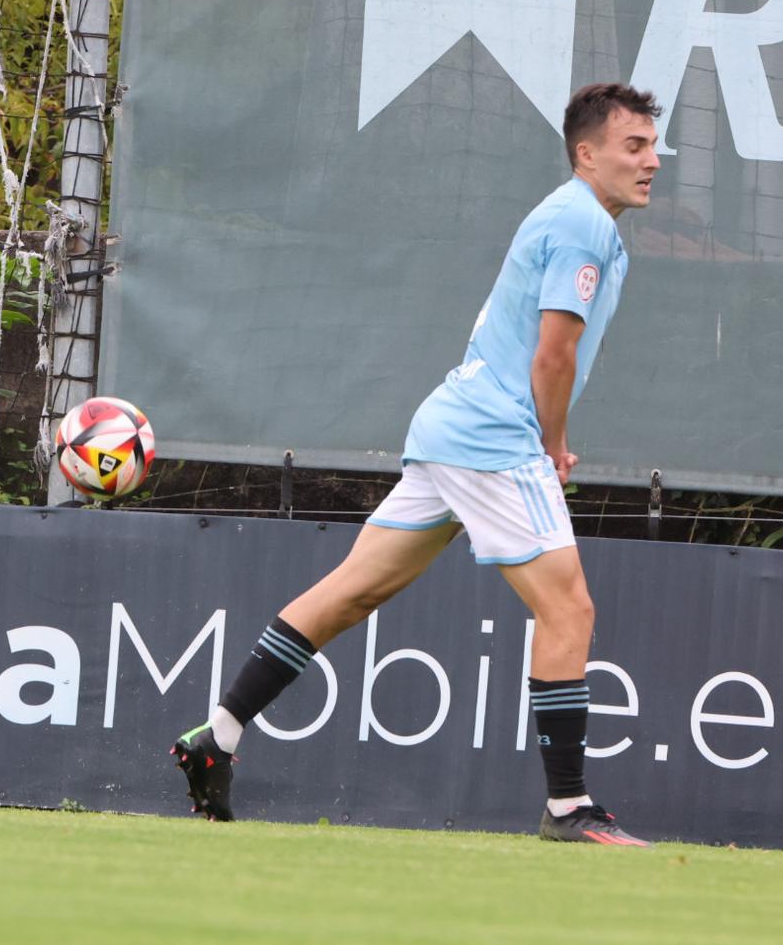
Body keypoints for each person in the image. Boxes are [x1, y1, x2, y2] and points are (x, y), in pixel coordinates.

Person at [173, 83, 663, 846]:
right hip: (495, 435)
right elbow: (554, 353)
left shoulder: (575, 220)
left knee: (352, 592)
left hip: (453, 423)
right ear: (586, 153)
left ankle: (218, 736)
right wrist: (550, 441)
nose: (651, 161)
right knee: (568, 610)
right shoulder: (579, 224)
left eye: (652, 146)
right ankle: (569, 808)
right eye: (634, 147)